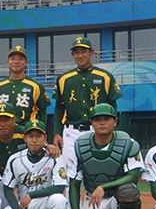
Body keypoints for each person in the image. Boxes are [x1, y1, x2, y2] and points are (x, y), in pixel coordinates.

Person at [68, 104, 143, 209]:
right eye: (97, 119)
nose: (102, 123)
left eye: (107, 119)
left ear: (115, 121)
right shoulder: (79, 145)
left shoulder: (129, 143)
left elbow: (133, 177)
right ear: (91, 122)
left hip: (117, 197)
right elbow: (74, 184)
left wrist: (104, 186)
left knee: (129, 192)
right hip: (94, 199)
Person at [0, 120, 69, 209]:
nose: (35, 140)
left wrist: (31, 195)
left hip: (47, 203)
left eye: (38, 136)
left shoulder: (55, 156)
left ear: (45, 138)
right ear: (25, 138)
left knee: (59, 200)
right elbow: (8, 188)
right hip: (25, 206)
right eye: (31, 136)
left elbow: (60, 187)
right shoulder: (15, 159)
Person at [51, 37, 122, 169]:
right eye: (76, 52)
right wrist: (57, 133)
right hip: (71, 132)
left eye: (83, 51)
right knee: (69, 171)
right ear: (72, 54)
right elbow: (59, 108)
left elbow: (112, 106)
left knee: (98, 169)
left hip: (96, 131)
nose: (80, 55)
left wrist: (111, 129)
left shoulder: (105, 76)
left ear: (92, 52)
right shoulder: (64, 79)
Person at [0, 45, 50, 126]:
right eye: (13, 59)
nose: (16, 61)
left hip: (26, 130)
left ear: (26, 63)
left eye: (20, 59)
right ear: (8, 62)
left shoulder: (35, 86)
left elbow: (43, 113)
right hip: (4, 131)